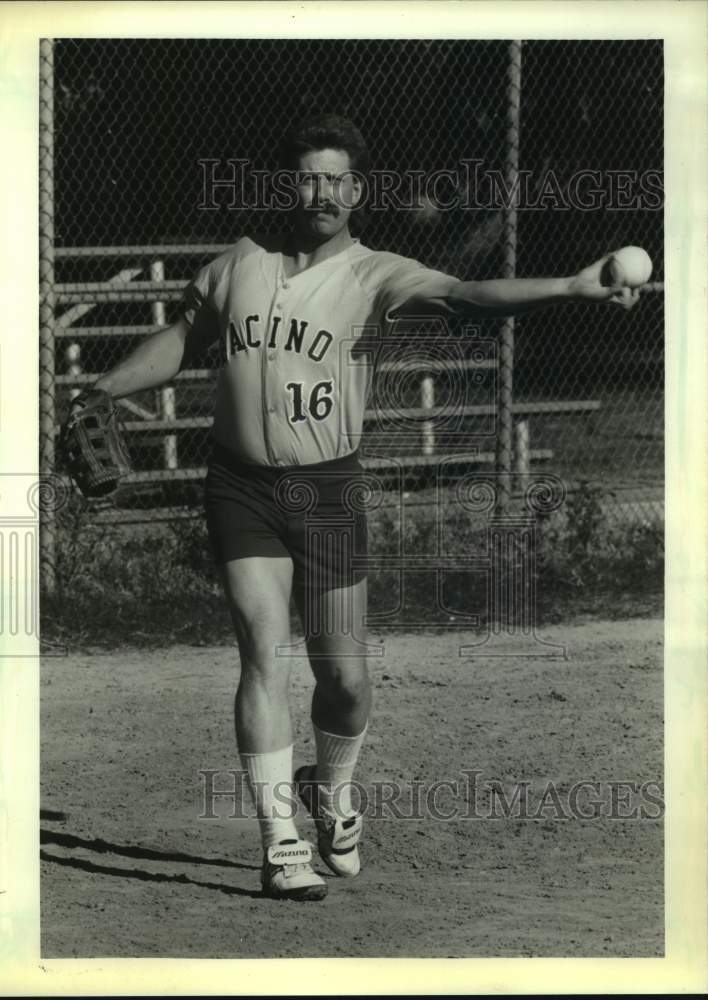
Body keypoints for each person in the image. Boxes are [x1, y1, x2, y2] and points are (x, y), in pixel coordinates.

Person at [92, 114, 641, 901]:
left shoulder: (374, 274)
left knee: (342, 676)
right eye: (307, 176)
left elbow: (467, 296)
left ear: (356, 190)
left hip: (327, 489)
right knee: (261, 653)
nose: (320, 190)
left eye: (335, 179)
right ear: (290, 185)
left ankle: (333, 791)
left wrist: (570, 286)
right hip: (239, 485)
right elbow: (183, 339)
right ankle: (280, 841)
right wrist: (103, 387)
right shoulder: (236, 266)